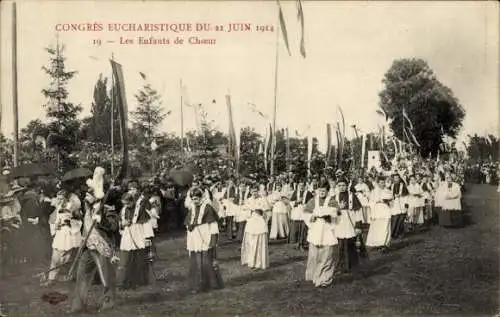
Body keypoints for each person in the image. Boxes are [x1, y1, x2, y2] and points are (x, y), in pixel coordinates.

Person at [68, 167, 120, 314]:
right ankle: (78, 304)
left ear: (97, 195)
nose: (86, 196)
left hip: (104, 247)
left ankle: (108, 302)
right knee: (82, 275)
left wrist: (102, 219)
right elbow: (84, 224)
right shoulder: (87, 208)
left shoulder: (107, 209)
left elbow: (114, 226)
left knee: (106, 277)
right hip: (88, 246)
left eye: (89, 194)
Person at [185, 187, 224, 293]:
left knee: (206, 260)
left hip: (205, 234)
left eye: (196, 199)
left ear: (201, 198)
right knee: (196, 260)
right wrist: (190, 227)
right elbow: (189, 222)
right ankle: (198, 283)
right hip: (195, 236)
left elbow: (213, 225)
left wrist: (213, 240)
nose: (195, 201)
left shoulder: (207, 208)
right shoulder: (192, 208)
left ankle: (211, 282)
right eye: (192, 199)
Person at [303, 181, 338, 288]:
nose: (322, 192)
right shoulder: (313, 201)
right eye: (320, 190)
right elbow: (306, 213)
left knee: (327, 254)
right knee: (314, 254)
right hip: (316, 228)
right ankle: (314, 276)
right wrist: (311, 217)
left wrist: (331, 217)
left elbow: (337, 214)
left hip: (327, 228)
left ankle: (325, 278)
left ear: (327, 191)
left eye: (324, 190)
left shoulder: (332, 201)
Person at [333, 178, 366, 273]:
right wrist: (338, 208)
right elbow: (331, 211)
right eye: (339, 185)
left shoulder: (352, 196)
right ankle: (340, 265)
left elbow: (358, 211)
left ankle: (352, 265)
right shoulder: (334, 197)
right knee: (340, 244)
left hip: (350, 221)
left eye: (343, 185)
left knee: (350, 243)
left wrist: (358, 225)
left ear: (347, 186)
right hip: (339, 222)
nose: (341, 187)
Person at [366, 177, 392, 251]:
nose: (382, 184)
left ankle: (385, 244)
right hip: (377, 210)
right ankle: (378, 243)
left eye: (383, 182)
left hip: (385, 210)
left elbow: (391, 200)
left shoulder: (388, 191)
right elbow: (370, 202)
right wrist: (375, 204)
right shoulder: (374, 191)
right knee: (377, 227)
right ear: (378, 183)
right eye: (381, 183)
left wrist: (387, 201)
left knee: (385, 227)